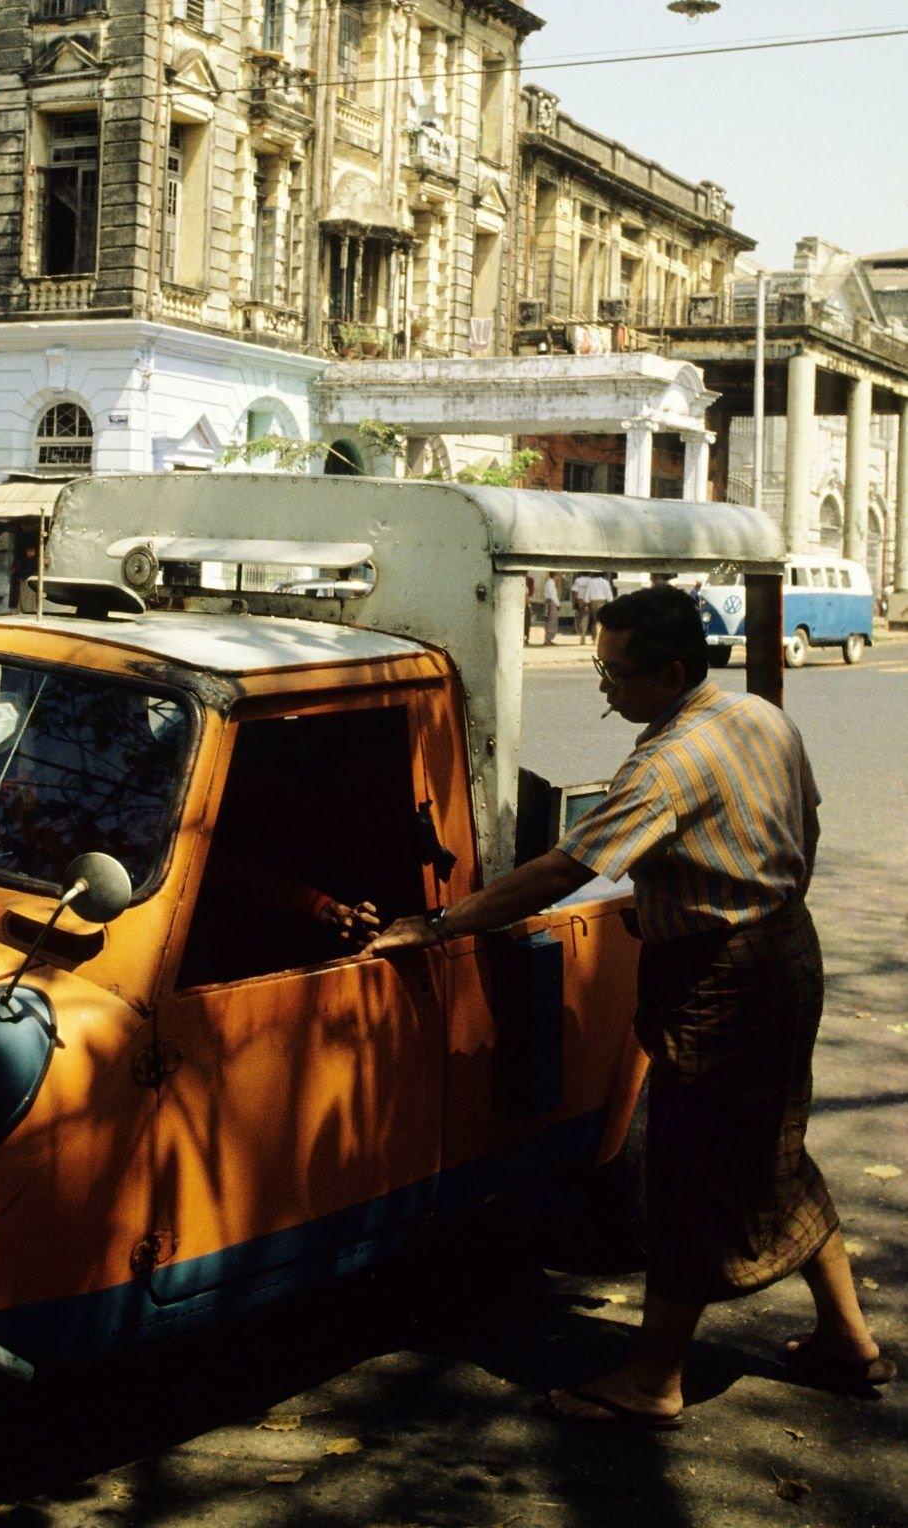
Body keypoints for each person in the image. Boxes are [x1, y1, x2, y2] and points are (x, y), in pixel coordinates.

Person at [369, 584, 890, 1428]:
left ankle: (652, 1381)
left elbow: (562, 871)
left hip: (719, 977)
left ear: (671, 671)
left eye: (613, 671)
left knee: (687, 1171)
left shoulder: (666, 764)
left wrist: (437, 925)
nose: (600, 685)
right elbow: (809, 822)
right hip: (785, 947)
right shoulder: (757, 717)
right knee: (772, 1150)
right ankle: (846, 1337)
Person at [571, 572, 593, 643]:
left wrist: (574, 602)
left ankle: (580, 631)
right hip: (588, 600)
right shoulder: (591, 580)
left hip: (579, 600)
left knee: (579, 616)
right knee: (586, 617)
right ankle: (583, 633)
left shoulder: (578, 580)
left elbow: (575, 592)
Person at [542, 570, 561, 645]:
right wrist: (558, 604)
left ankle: (548, 639)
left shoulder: (549, 582)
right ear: (555, 575)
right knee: (552, 621)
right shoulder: (551, 583)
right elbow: (553, 595)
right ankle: (548, 639)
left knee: (549, 621)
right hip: (552, 603)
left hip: (550, 602)